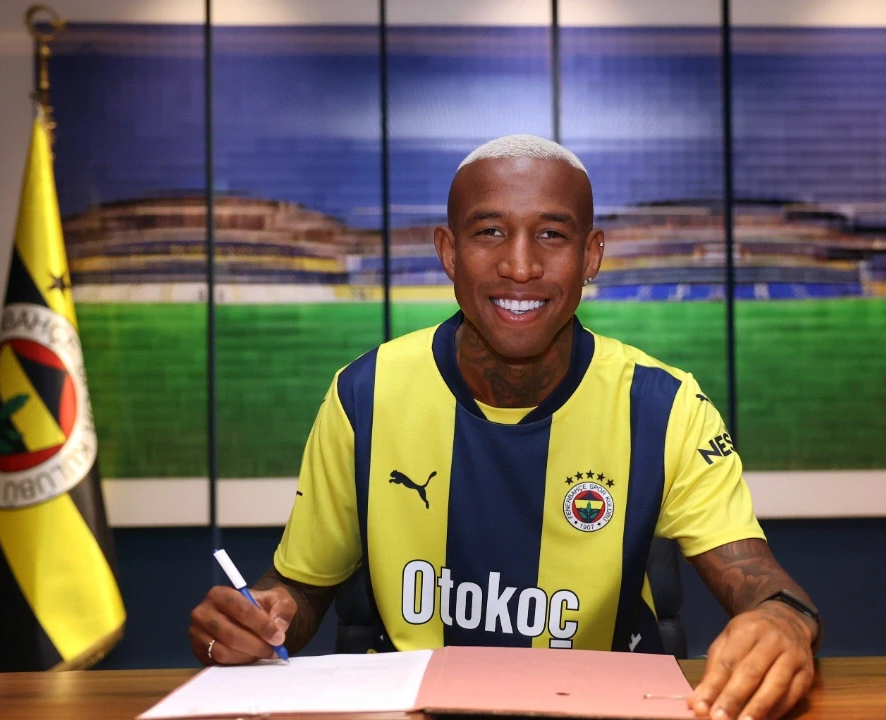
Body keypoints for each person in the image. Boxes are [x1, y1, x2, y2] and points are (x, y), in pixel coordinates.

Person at [189, 135, 820, 720]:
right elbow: (299, 590)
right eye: (490, 232)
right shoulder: (364, 395)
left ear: (591, 255)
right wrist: (258, 619)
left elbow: (764, 586)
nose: (520, 266)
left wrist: (783, 624)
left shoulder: (666, 407)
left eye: (552, 234)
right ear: (449, 252)